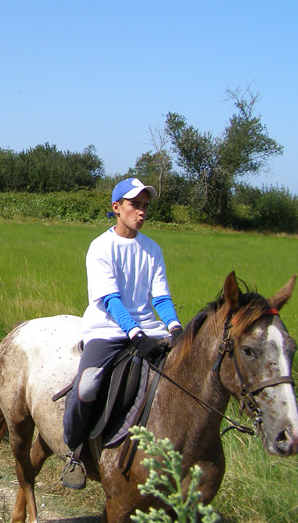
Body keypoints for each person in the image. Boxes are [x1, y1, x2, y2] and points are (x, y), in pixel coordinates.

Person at [60, 178, 183, 490]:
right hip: (108, 328)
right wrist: (136, 335)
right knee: (87, 386)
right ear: (116, 207)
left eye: (145, 206)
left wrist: (175, 328)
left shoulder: (152, 249)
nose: (141, 212)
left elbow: (161, 298)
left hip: (149, 329)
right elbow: (110, 300)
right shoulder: (101, 247)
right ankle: (74, 449)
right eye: (134, 205)